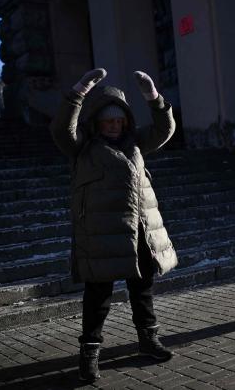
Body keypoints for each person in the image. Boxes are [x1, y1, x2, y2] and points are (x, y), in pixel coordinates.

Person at [50, 68, 178, 382]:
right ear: (96, 122)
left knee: (142, 290)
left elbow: (165, 130)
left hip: (141, 232)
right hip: (101, 234)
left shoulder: (136, 142)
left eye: (118, 120)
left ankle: (148, 340)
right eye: (108, 120)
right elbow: (60, 130)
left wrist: (153, 97)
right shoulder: (82, 147)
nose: (114, 125)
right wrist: (78, 92)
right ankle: (89, 353)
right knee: (98, 297)